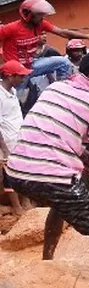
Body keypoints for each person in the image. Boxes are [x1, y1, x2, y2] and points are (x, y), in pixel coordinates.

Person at [6, 50, 89, 274]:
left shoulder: (55, 88)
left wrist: (82, 155)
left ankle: (47, 261)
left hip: (15, 172)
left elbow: (56, 131)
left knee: (60, 204)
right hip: (51, 175)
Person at [0, 0, 89, 82]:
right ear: (27, 15)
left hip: (31, 65)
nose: (42, 17)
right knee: (14, 99)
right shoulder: (10, 28)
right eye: (39, 15)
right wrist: (4, 66)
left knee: (63, 63)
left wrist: (88, 37)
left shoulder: (41, 24)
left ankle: (61, 91)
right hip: (16, 72)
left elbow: (62, 32)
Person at [0, 61, 30, 214]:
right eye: (21, 76)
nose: (23, 79)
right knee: (9, 173)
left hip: (19, 138)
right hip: (7, 141)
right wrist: (4, 149)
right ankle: (17, 207)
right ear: (10, 76)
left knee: (23, 170)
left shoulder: (13, 91)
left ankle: (25, 201)